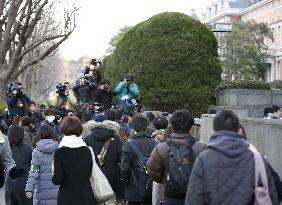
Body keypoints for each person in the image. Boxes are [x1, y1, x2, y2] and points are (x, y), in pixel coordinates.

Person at [185, 110, 279, 205]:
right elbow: (273, 197)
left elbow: (193, 199)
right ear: (239, 131)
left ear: (213, 131)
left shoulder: (203, 158)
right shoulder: (257, 159)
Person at [147, 110, 207, 205]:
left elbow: (153, 174)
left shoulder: (161, 148)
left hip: (170, 196)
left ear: (172, 125)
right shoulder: (202, 147)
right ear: (191, 126)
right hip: (195, 196)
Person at [52, 116, 96, 205]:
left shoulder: (60, 152)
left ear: (63, 129)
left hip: (67, 197)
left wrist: (53, 173)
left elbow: (57, 179)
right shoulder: (87, 150)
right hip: (87, 196)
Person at [121, 114, 158, 205]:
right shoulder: (156, 144)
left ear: (133, 127)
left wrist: (125, 184)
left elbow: (124, 169)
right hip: (152, 188)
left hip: (133, 189)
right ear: (147, 126)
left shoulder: (128, 145)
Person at [85, 119, 123, 204]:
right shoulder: (116, 140)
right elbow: (122, 158)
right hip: (112, 179)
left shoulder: (88, 139)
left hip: (94, 179)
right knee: (110, 201)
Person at [25, 125, 59, 205]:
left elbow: (34, 171)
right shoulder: (58, 149)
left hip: (41, 193)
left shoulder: (36, 152)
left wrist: (29, 189)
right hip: (57, 190)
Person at [5, 126, 32, 205]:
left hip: (11, 181)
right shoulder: (28, 148)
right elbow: (33, 165)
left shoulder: (6, 149)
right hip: (26, 181)